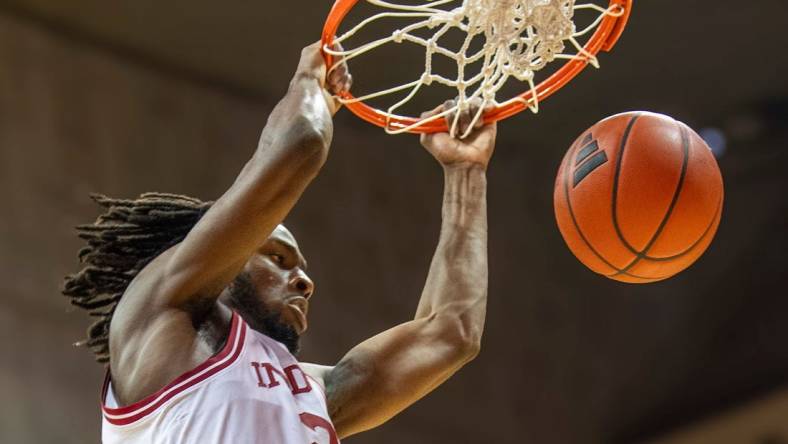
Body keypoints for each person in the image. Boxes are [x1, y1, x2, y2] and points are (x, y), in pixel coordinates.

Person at [63, 41, 496, 443]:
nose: (305, 281)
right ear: (219, 257)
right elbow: (301, 144)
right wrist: (309, 83)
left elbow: (450, 333)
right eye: (277, 257)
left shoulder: (312, 393)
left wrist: (465, 173)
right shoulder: (158, 317)